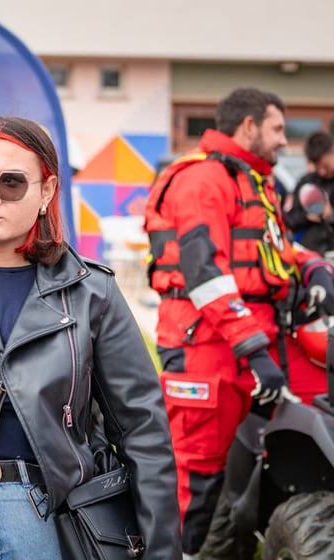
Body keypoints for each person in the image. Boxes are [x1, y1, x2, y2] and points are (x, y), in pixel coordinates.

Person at [0, 115, 182, 559]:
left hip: (46, 517)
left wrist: (162, 550)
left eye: (10, 183)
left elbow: (144, 430)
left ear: (46, 191)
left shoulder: (91, 293)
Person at [144, 87, 334, 558]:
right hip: (207, 344)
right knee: (195, 475)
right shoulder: (203, 180)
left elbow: (275, 248)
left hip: (252, 338)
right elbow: (204, 275)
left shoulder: (254, 181)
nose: (284, 141)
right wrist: (253, 350)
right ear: (248, 126)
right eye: (276, 129)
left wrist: (313, 267)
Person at [283, 130, 334, 256]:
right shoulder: (306, 182)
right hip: (311, 253)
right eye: (318, 167)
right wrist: (307, 216)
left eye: (326, 166)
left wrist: (330, 215)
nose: (322, 172)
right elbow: (290, 219)